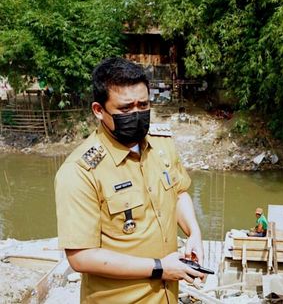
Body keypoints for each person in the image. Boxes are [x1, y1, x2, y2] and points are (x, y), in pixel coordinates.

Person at [55, 57, 204, 303]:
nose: (136, 114)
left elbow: (179, 193)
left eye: (143, 105)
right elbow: (81, 257)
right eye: (125, 109)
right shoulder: (80, 171)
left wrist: (194, 233)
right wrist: (160, 268)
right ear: (99, 110)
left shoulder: (162, 146)